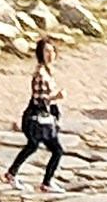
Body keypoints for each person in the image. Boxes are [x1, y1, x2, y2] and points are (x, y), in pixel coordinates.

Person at [6, 41, 65, 188]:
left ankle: (14, 174)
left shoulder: (48, 72)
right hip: (36, 118)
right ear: (40, 54)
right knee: (55, 150)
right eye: (46, 52)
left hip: (43, 117)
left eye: (52, 51)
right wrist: (56, 97)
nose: (50, 55)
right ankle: (45, 182)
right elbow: (39, 98)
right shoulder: (40, 74)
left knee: (34, 146)